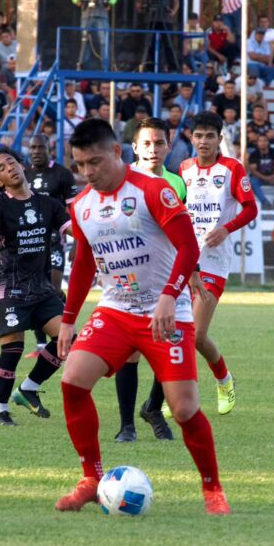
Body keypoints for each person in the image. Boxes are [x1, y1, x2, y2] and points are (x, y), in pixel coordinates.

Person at [54, 118, 231, 516]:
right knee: (72, 382)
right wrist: (68, 319)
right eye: (80, 164)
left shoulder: (153, 190)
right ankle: (90, 479)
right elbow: (83, 264)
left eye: (95, 162)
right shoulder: (81, 206)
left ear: (117, 153)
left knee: (184, 410)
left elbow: (188, 248)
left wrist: (169, 296)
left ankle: (212, 488)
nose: (87, 172)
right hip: (116, 310)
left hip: (167, 313)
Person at [172, 111, 257, 417]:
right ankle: (169, 396)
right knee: (175, 333)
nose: (204, 141)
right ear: (191, 138)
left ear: (219, 138)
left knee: (195, 335)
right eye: (199, 136)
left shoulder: (232, 168)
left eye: (210, 136)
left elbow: (250, 208)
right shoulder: (184, 169)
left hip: (214, 263)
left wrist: (226, 229)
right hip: (184, 261)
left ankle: (224, 379)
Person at [0, 147, 70, 426]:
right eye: (2, 168)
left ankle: (29, 388)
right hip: (7, 286)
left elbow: (73, 229)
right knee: (13, 348)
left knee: (68, 340)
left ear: (21, 164)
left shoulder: (49, 204)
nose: (9, 168)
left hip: (41, 287)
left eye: (11, 162)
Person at [111, 117, 187, 443]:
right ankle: (126, 425)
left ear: (168, 146)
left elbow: (182, 234)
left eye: (159, 143)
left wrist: (192, 274)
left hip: (167, 277)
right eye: (146, 143)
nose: (153, 149)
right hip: (130, 274)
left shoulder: (177, 183)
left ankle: (153, 408)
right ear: (134, 147)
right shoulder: (121, 179)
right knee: (131, 351)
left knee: (168, 347)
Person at [23, 134, 78, 356]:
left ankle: (67, 331)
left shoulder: (62, 174)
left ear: (49, 149)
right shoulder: (23, 174)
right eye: (33, 148)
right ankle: (41, 345)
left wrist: (77, 241)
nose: (36, 151)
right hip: (30, 240)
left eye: (40, 147)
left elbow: (74, 209)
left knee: (52, 289)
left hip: (55, 239)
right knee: (36, 290)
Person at [71, 0, 118, 70]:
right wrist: (78, 2)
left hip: (102, 15)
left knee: (104, 41)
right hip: (86, 15)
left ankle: (105, 67)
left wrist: (110, 3)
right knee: (85, 41)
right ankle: (83, 67)